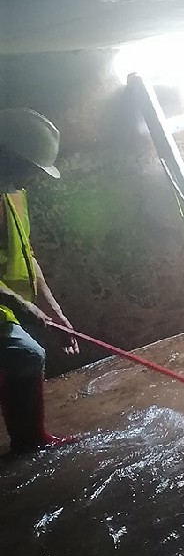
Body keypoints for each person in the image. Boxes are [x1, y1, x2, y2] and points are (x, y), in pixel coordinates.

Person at [0, 108, 79, 454]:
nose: (31, 178)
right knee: (26, 354)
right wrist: (21, 304)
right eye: (28, 168)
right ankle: (29, 441)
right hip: (6, 304)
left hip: (5, 304)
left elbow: (27, 255)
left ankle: (27, 438)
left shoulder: (12, 193)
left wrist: (54, 310)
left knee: (23, 356)